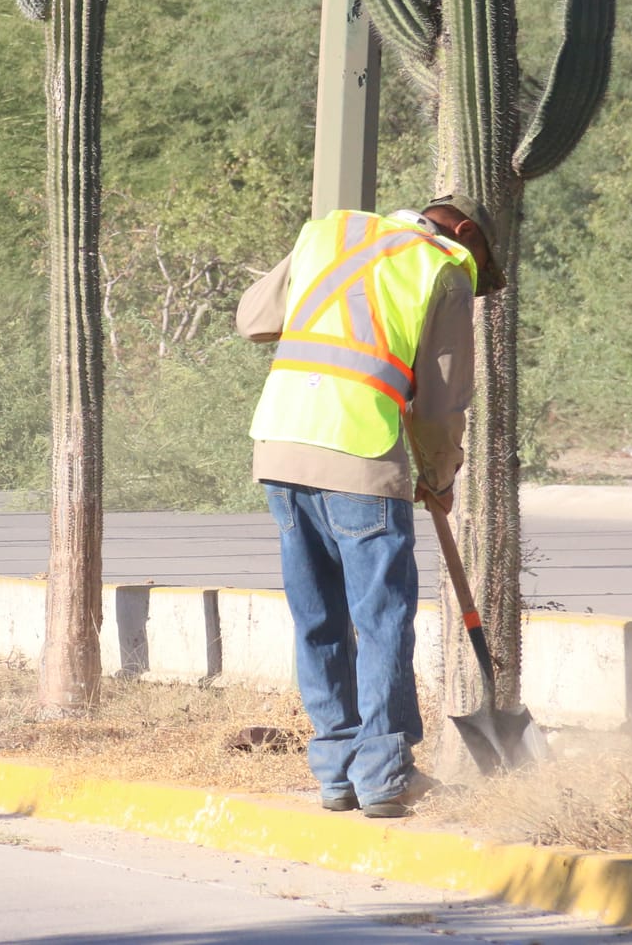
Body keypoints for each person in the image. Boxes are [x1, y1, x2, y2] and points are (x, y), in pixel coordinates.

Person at [239, 194, 502, 818]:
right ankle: (384, 776)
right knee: (381, 618)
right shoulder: (442, 266)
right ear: (464, 231)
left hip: (279, 446)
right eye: (480, 259)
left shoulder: (329, 236)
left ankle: (336, 772)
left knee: (318, 617)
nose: (476, 273)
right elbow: (440, 405)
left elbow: (253, 317)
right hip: (357, 451)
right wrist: (441, 476)